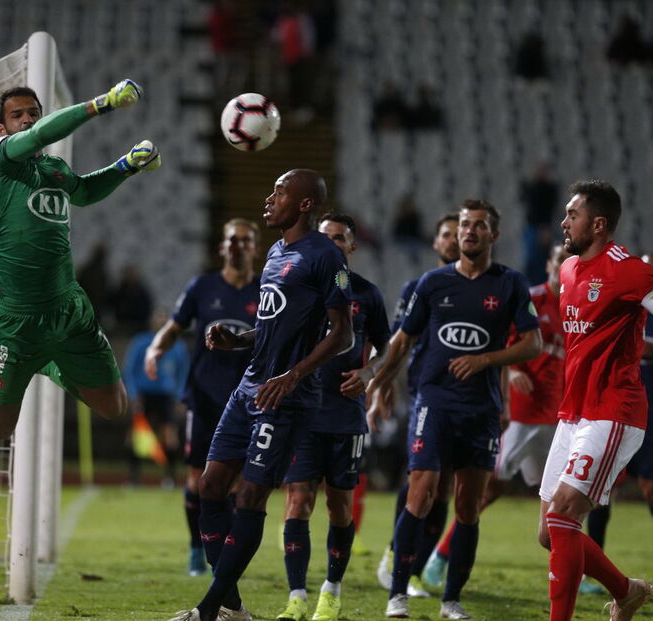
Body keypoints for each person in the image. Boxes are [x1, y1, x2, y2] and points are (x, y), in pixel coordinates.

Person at [168, 170, 353, 621]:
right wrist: (240, 340)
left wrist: (291, 376)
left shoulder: (324, 255)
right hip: (249, 386)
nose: (269, 199)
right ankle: (231, 606)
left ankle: (209, 610)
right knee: (210, 486)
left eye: (280, 192)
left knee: (250, 497)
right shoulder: (275, 252)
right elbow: (276, 325)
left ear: (305, 204)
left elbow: (342, 334)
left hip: (286, 398)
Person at [0, 80, 161, 440]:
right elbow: (36, 137)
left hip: (69, 311)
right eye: (17, 115)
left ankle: (48, 361)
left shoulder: (54, 168)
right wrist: (102, 103)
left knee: (114, 407)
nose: (27, 121)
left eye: (33, 114)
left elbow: (82, 192)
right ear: (2, 129)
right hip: (16, 320)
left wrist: (127, 166)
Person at [367, 200, 542, 619]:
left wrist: (486, 360)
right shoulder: (432, 283)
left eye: (479, 225)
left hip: (481, 408)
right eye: (464, 224)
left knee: (466, 507)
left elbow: (532, 344)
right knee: (421, 493)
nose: (469, 231)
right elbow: (404, 342)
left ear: (493, 235)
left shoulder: (511, 284)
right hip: (435, 401)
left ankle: (450, 600)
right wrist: (379, 381)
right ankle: (398, 594)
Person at [536, 181, 653, 621]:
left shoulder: (630, 270)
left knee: (564, 517)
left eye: (573, 215)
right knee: (549, 533)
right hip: (573, 412)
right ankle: (627, 591)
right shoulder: (567, 270)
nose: (564, 222)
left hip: (614, 411)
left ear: (598, 224)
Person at [423, 244, 570, 587]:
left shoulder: (575, 306)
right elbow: (500, 338)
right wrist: (514, 371)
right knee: (486, 489)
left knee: (563, 496)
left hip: (555, 415)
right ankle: (439, 556)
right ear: (549, 263)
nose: (563, 264)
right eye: (559, 258)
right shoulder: (531, 298)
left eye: (569, 259)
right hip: (521, 413)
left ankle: (571, 569)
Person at [276, 213, 390, 621]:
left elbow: (387, 348)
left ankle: (331, 591)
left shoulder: (368, 295)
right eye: (326, 238)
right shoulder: (297, 289)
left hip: (345, 417)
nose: (333, 244)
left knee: (339, 508)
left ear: (352, 246)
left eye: (340, 238)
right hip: (302, 413)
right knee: (298, 502)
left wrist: (369, 373)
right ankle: (296, 597)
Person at [145, 218, 262, 577]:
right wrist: (154, 348)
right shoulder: (203, 287)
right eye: (233, 240)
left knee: (239, 483)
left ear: (256, 248)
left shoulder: (267, 290)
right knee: (198, 480)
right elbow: (175, 326)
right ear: (222, 247)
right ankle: (197, 547)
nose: (239, 246)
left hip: (247, 400)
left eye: (246, 240)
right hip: (205, 398)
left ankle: (220, 551)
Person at [584, 253, 653, 586]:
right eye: (649, 269)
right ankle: (593, 570)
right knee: (602, 488)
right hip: (617, 407)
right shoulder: (623, 306)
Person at [376, 213, 460, 597]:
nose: (454, 239)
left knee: (443, 490)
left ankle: (418, 567)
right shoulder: (417, 287)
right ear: (435, 242)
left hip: (467, 401)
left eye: (460, 233)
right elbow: (397, 340)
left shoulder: (483, 289)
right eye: (446, 233)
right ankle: (395, 559)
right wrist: (383, 384)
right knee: (419, 481)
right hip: (426, 396)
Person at [124, 309, 189, 487]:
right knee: (135, 436)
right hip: (144, 394)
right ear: (151, 320)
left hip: (166, 395)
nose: (160, 321)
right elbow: (129, 370)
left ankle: (170, 478)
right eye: (157, 317)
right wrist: (134, 394)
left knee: (169, 435)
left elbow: (183, 374)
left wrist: (180, 397)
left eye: (164, 318)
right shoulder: (140, 342)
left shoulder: (178, 346)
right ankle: (134, 479)